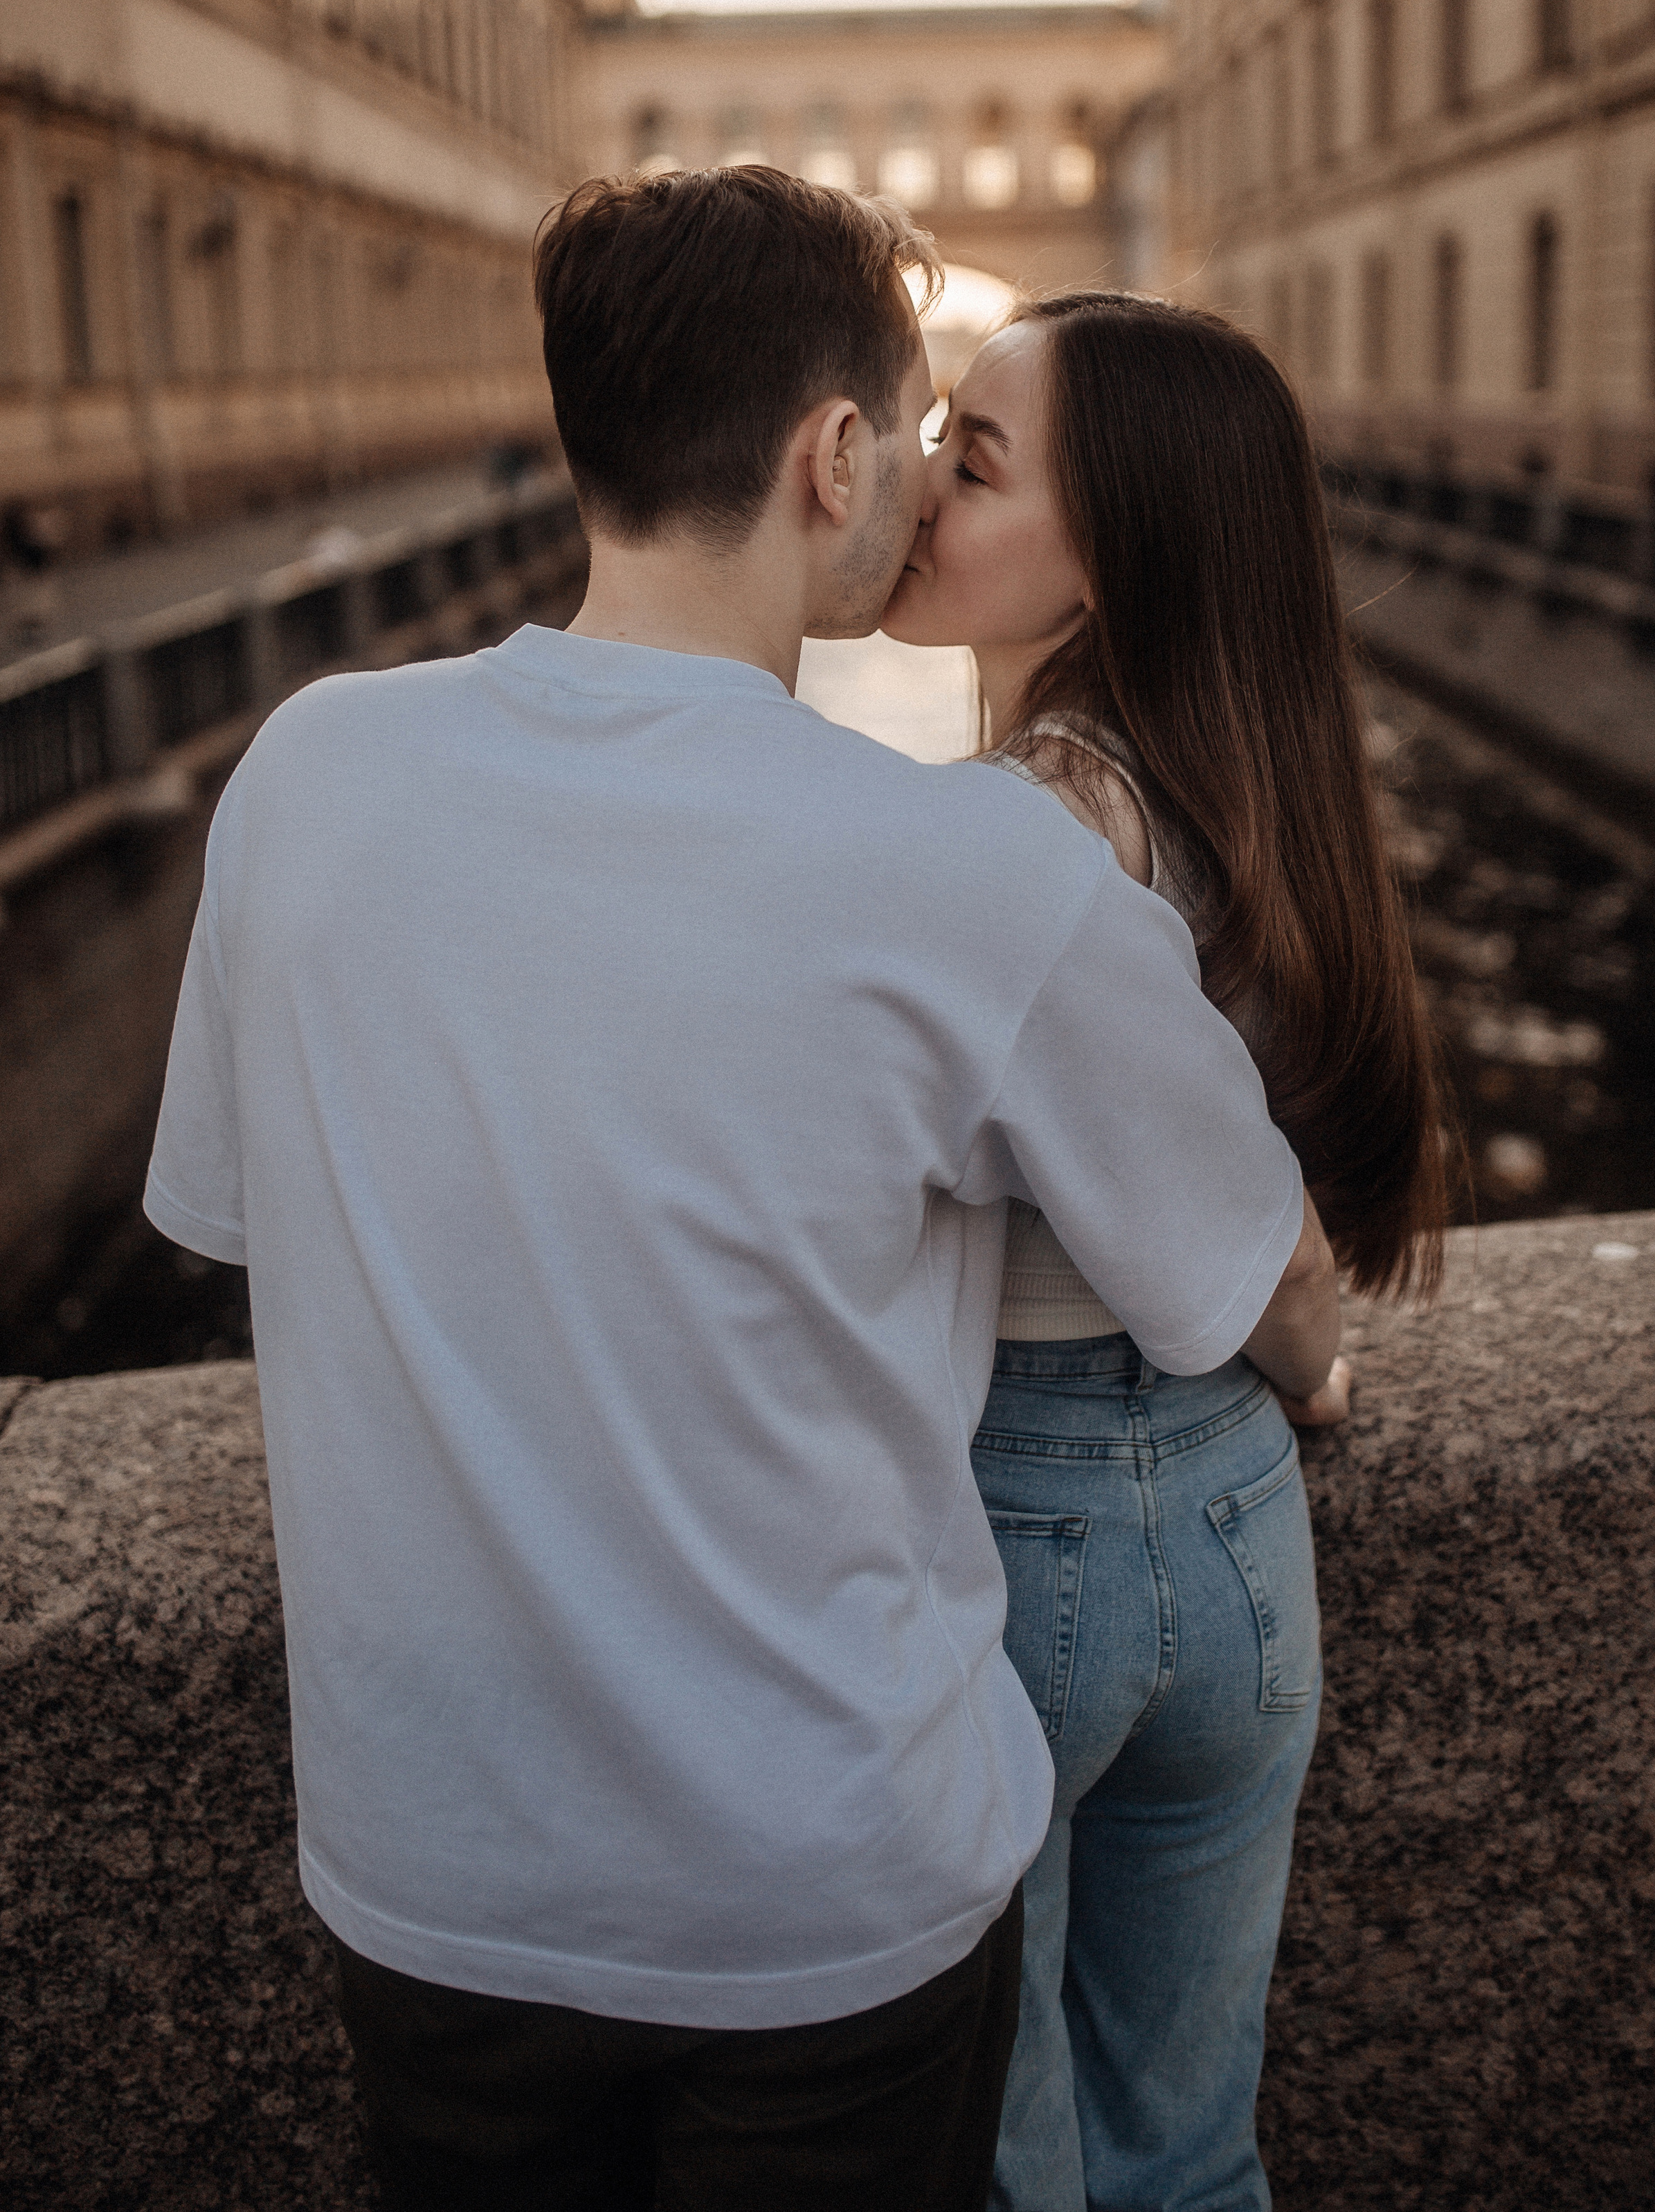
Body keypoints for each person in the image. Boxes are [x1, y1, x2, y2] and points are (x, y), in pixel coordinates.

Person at [143, 172, 1341, 2212]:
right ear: (835, 455)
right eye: (924, 434)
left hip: (432, 1880)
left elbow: (244, 1233)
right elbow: (1263, 1286)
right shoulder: (976, 876)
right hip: (830, 1909)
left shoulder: (304, 773)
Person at [885, 291, 1446, 2212]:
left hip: (1026, 1524)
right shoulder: (1239, 785)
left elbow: (1244, 1232)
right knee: (1196, 2151)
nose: (916, 487)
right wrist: (1306, 1378)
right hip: (1231, 1519)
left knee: (1018, 2166)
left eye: (971, 460)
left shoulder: (1028, 828)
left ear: (1112, 544)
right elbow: (1281, 1255)